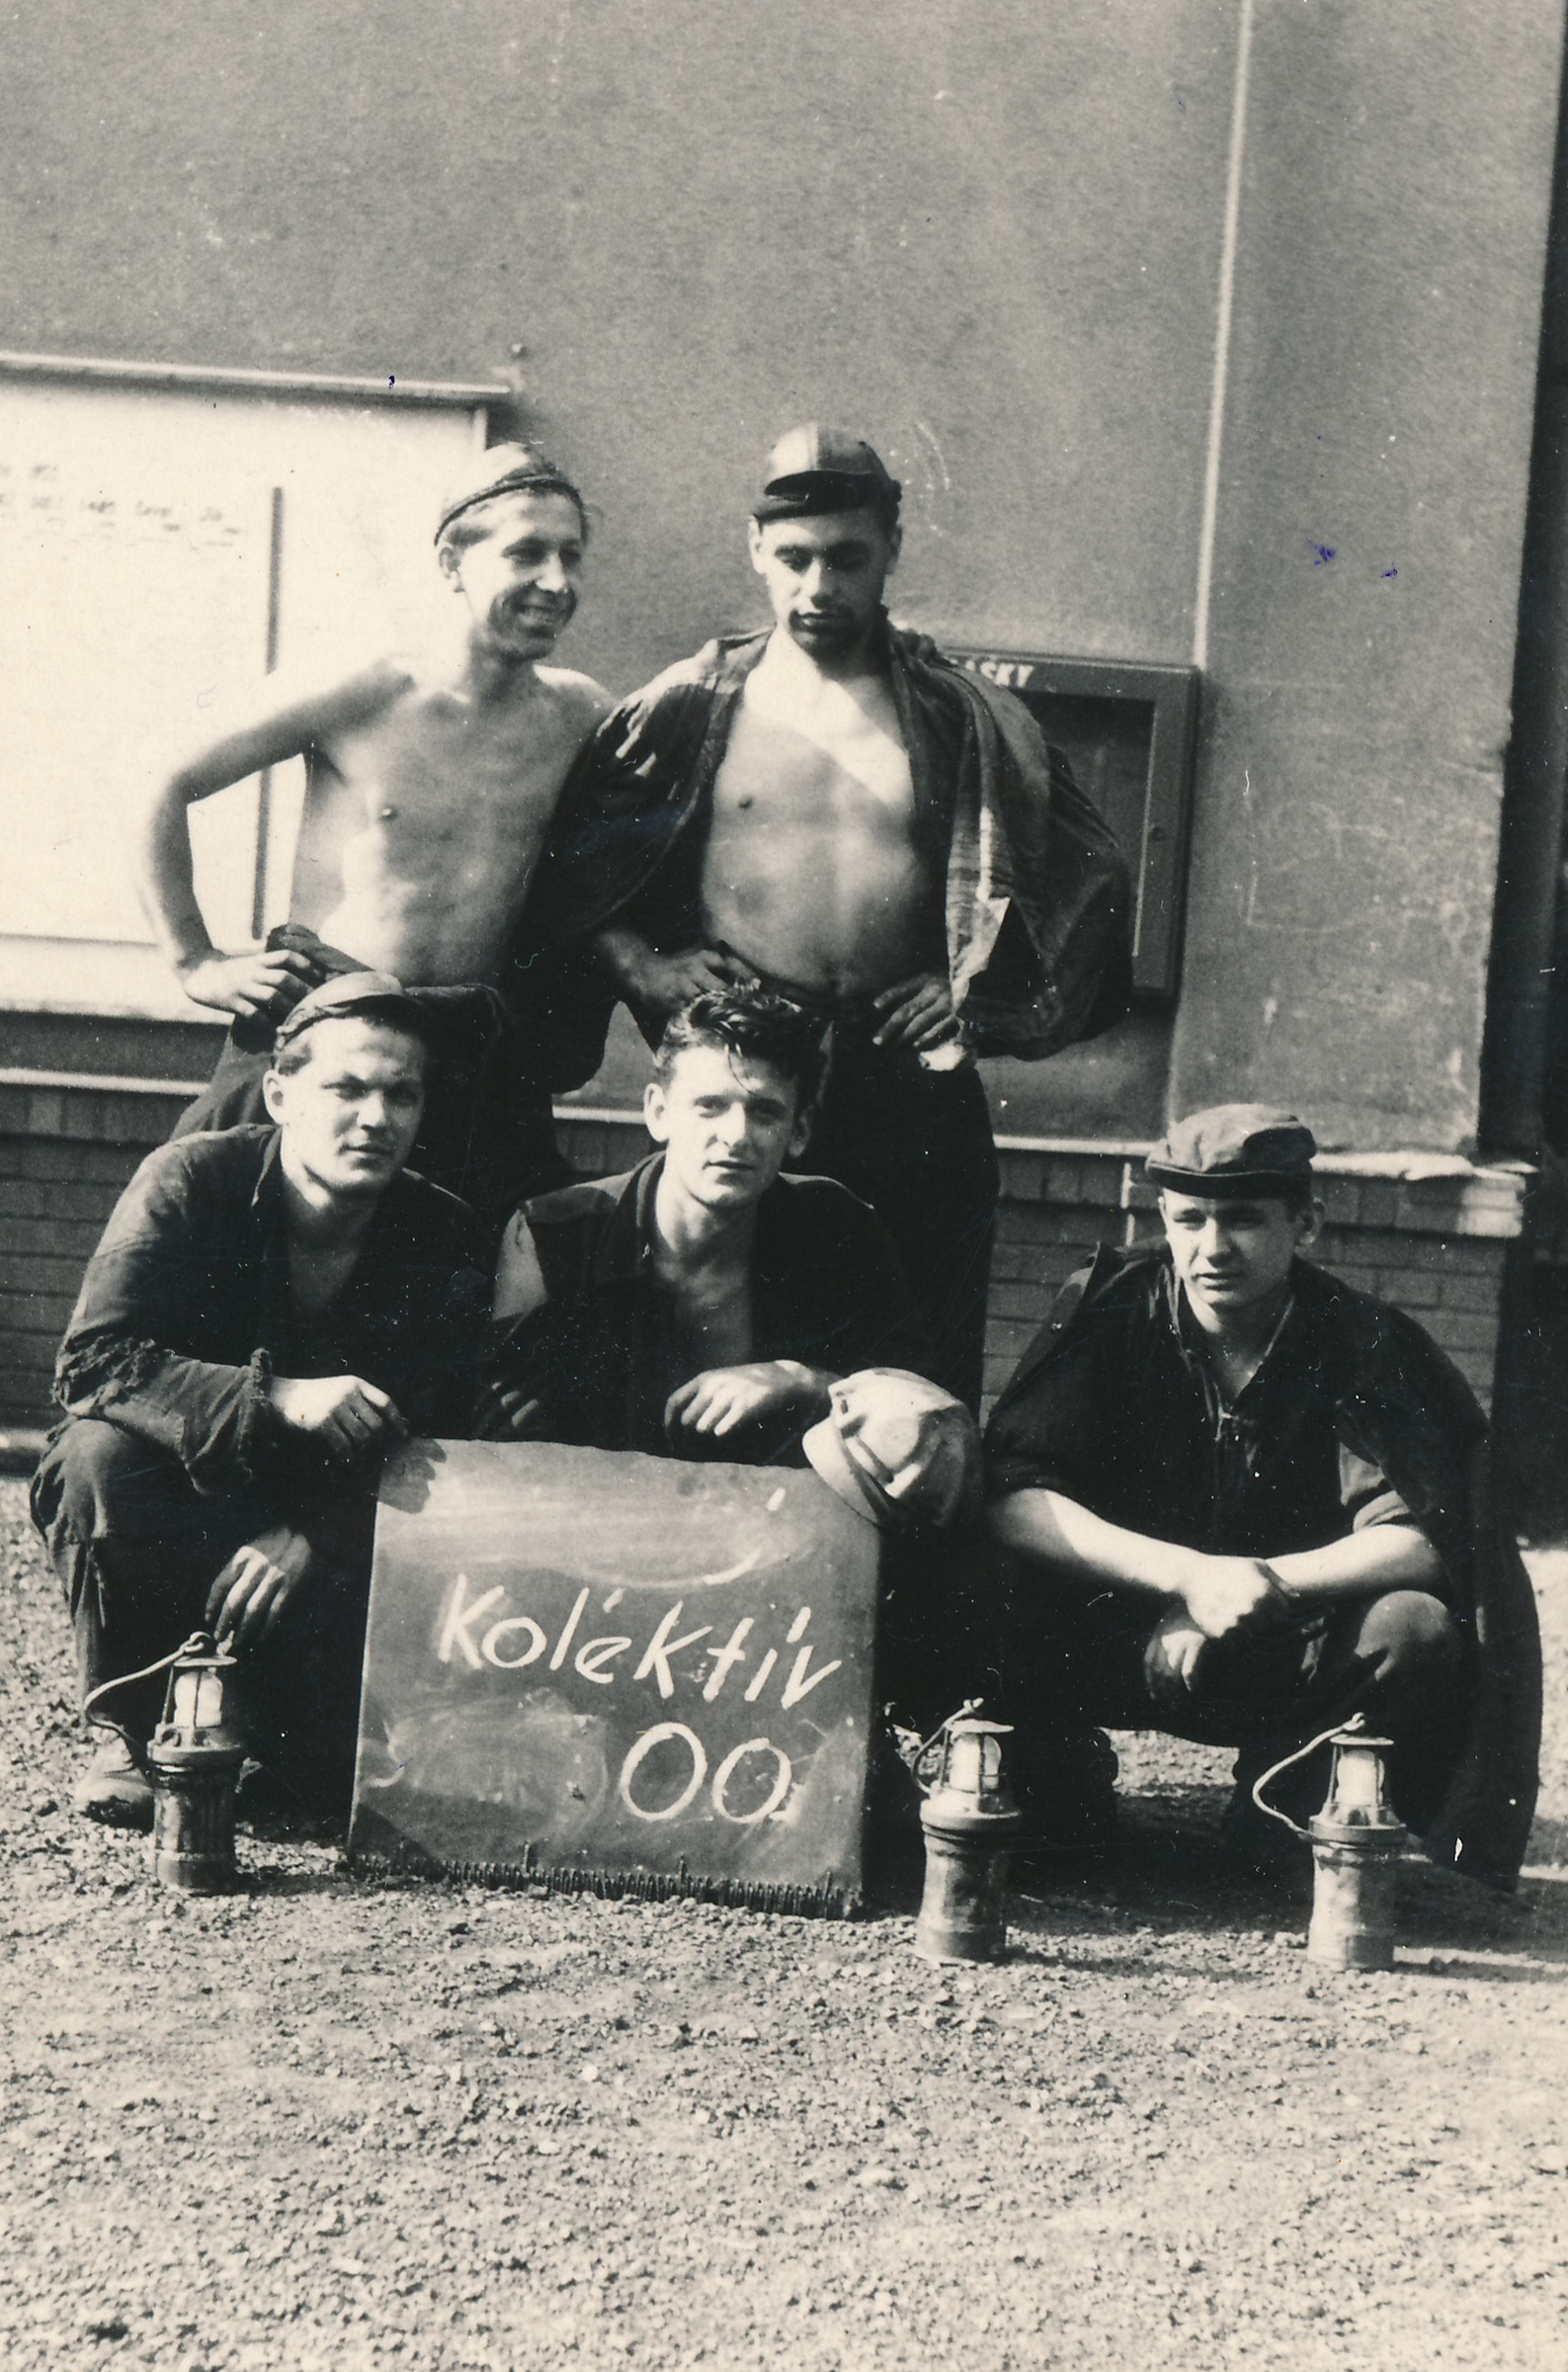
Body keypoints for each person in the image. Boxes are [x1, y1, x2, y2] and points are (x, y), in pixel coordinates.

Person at [518, 424, 1130, 1410]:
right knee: (727, 1353)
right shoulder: (687, 707)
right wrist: (641, 966)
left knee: (915, 1372)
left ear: (891, 550)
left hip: (908, 1082)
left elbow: (1086, 882)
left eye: (847, 558)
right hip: (753, 1072)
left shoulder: (964, 716)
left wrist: (975, 992)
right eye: (795, 558)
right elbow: (563, 871)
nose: (818, 587)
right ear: (755, 549)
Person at [980, 1105, 1543, 1889]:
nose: (1212, 1248)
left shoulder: (1360, 1340)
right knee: (982, 1582)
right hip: (1117, 1623)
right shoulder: (1111, 1309)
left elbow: (1421, 1535)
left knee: (1412, 1629)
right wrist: (1187, 1578)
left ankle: (1280, 1802)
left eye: (1243, 1220)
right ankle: (1057, 1776)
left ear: (1304, 1224)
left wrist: (1259, 1585)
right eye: (1189, 1220)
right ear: (1162, 1219)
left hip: (1282, 1634)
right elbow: (1015, 1496)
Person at [31, 974, 491, 1828]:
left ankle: (276, 1725)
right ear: (280, 1094)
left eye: (401, 1094)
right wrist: (274, 1394)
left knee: (319, 1787)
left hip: (330, 1520)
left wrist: (317, 1530)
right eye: (346, 1088)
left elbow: (448, 1432)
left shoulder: (445, 1231)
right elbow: (92, 1363)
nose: (376, 1118)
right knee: (95, 1457)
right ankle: (139, 1728)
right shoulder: (190, 1179)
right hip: (186, 1482)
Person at [139, 443, 611, 1224]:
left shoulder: (581, 715)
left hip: (464, 1058)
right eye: (526, 552)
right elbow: (162, 780)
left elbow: (632, 861)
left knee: (490, 1271)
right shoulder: (366, 688)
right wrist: (196, 960)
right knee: (207, 1236)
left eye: (571, 556)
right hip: (325, 1027)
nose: (557, 582)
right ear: (452, 561)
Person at [479, 987, 931, 1465]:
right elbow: (507, 1459)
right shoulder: (553, 1237)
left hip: (776, 1510)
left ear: (799, 1131)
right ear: (658, 1112)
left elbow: (920, 1410)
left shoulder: (837, 1228)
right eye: (710, 1105)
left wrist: (804, 1381)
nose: (736, 1136)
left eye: (765, 1112)